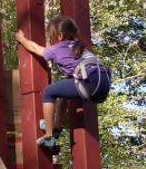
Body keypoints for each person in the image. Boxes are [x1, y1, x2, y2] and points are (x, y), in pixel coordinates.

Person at [14, 15, 113, 148]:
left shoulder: (58, 48)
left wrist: (21, 39)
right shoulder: (79, 47)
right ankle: (56, 126)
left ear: (59, 36)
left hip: (90, 83)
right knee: (62, 90)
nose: (49, 40)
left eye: (50, 36)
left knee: (48, 92)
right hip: (104, 82)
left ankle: (48, 135)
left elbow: (34, 48)